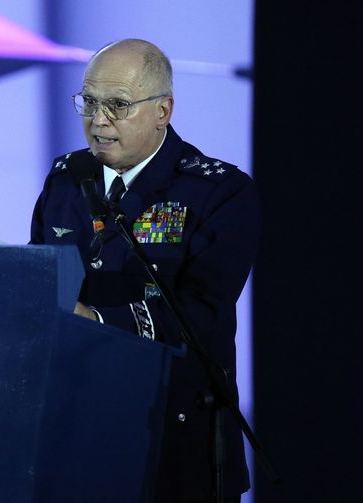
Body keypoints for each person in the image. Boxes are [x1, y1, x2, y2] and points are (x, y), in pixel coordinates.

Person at [30, 39, 258, 502]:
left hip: (172, 440)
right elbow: (39, 283)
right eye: (89, 102)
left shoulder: (218, 193)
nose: (98, 121)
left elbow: (200, 314)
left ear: (163, 111)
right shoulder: (66, 180)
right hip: (76, 436)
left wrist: (96, 322)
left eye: (117, 106)